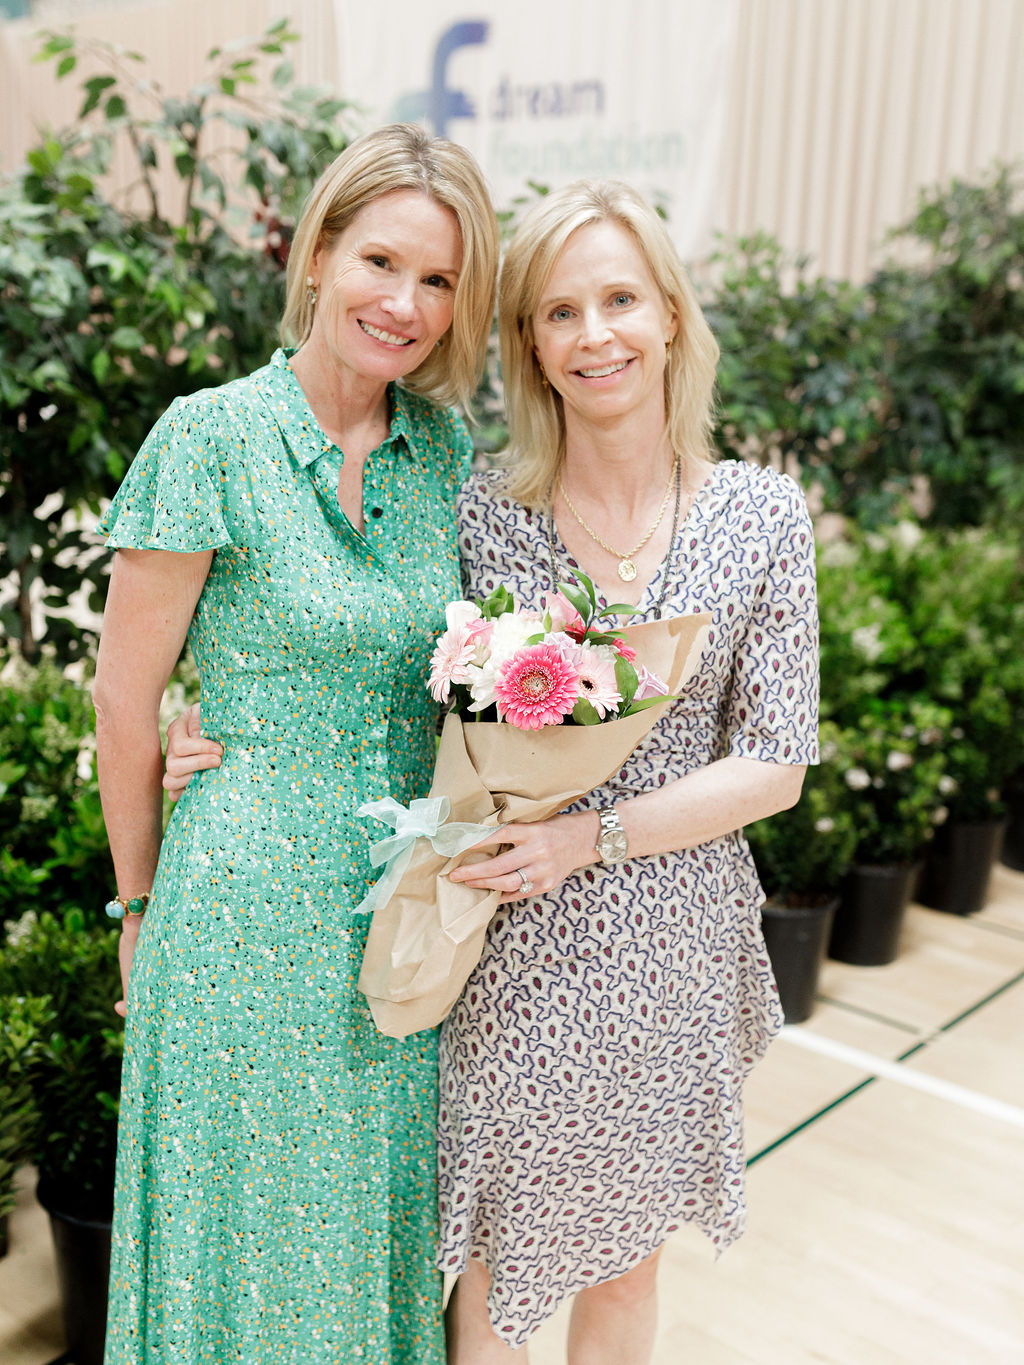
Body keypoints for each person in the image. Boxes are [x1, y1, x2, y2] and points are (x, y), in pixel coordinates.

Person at [165, 180, 819, 1364]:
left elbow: (775, 763)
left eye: (619, 300)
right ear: (528, 345)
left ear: (671, 315)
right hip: (501, 936)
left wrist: (589, 838)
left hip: (672, 938)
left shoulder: (762, 514)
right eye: (559, 312)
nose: (593, 335)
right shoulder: (479, 510)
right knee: (488, 1270)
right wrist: (222, 731)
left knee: (624, 1270)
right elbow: (368, 659)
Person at [92, 123, 499, 1364]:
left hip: (400, 910)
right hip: (239, 910)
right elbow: (123, 700)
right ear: (317, 255)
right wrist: (137, 906)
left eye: (437, 280)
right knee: (239, 1236)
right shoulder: (209, 437)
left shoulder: (445, 451)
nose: (404, 304)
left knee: (366, 1230)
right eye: (380, 262)